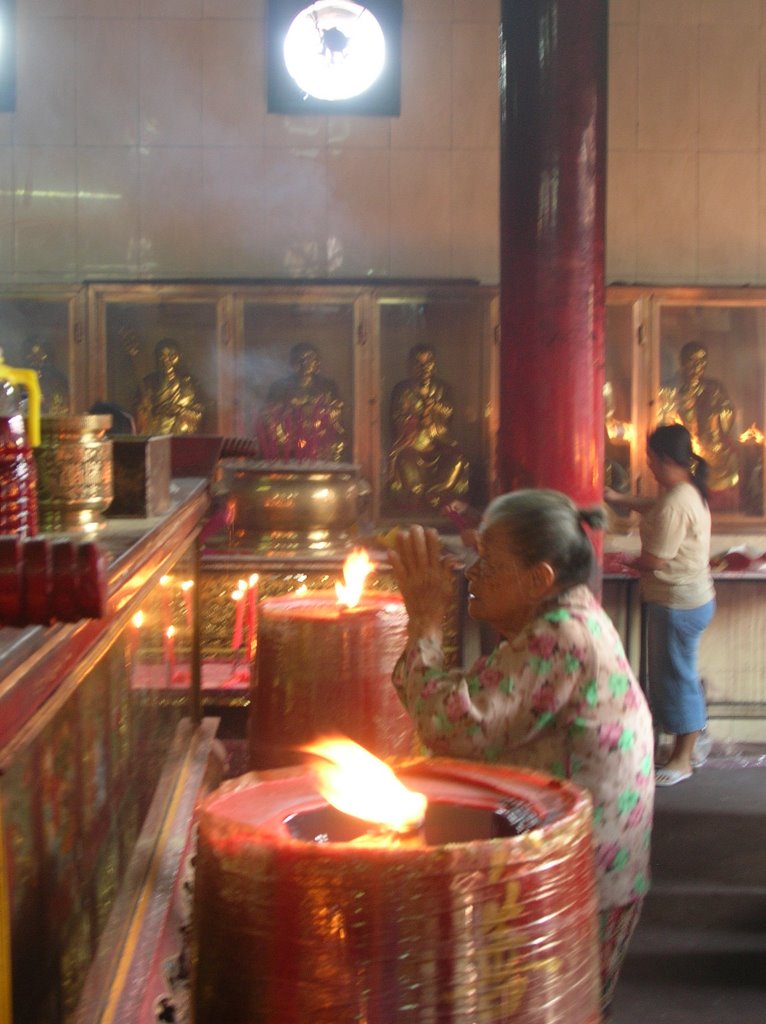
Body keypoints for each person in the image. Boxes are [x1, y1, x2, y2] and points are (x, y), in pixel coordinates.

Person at [388, 489, 655, 1014]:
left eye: (488, 561)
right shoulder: (558, 623)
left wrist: (423, 620)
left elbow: (454, 726)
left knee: (545, 1009)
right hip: (582, 860)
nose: (471, 572)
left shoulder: (561, 636)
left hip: (585, 873)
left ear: (539, 581)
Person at [606, 424, 716, 787]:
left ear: (667, 459)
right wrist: (618, 499)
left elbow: (656, 560)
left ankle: (682, 759)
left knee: (677, 680)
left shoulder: (675, 502)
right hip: (688, 600)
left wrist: (620, 558)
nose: (649, 466)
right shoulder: (685, 492)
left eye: (652, 459)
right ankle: (682, 750)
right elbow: (653, 505)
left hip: (676, 603)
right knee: (679, 676)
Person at [387, 343, 470, 513]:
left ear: (434, 364)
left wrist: (435, 408)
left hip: (439, 443)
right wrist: (414, 418)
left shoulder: (443, 388)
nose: (424, 368)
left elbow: (449, 414)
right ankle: (418, 497)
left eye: (428, 362)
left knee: (458, 460)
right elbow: (396, 418)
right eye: (419, 363)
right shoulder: (402, 390)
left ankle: (436, 493)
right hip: (411, 445)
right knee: (403, 461)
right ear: (411, 366)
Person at [657, 341, 739, 506]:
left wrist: (719, 415)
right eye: (691, 360)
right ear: (682, 362)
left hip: (712, 448)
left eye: (701, 361)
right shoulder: (673, 390)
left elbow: (727, 410)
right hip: (682, 451)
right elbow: (662, 418)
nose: (696, 366)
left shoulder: (714, 388)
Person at [255, 342, 346, 462]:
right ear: (292, 363)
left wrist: (319, 411)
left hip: (318, 436)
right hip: (288, 438)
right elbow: (269, 414)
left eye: (309, 358)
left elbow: (335, 410)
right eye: (300, 359)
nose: (304, 363)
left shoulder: (327, 386)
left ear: (317, 363)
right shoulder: (279, 387)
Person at [133, 339, 204, 435]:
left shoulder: (190, 384)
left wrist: (180, 410)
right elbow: (139, 413)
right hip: (156, 431)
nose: (166, 361)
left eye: (172, 356)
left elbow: (199, 412)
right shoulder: (147, 383)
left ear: (179, 357)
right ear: (156, 358)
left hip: (181, 434)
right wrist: (147, 409)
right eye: (162, 356)